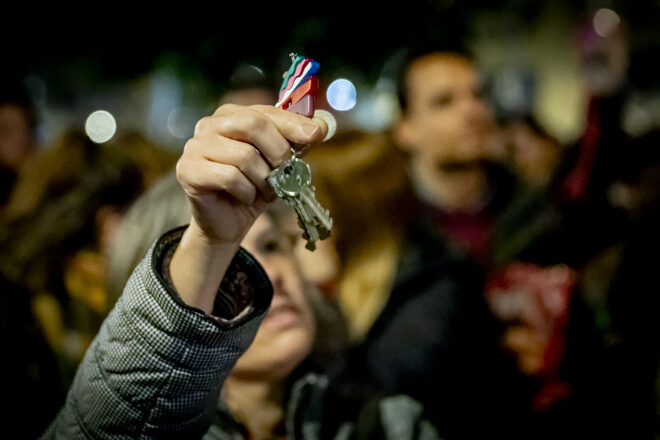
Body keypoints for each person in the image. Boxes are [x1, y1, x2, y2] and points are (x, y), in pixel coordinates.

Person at [41, 103, 442, 439]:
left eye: (272, 246)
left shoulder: (391, 424)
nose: (271, 277)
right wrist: (209, 241)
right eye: (228, 265)